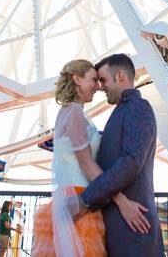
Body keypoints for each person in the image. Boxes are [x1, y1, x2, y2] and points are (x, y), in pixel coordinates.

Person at [32, 59, 149, 256]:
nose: (98, 86)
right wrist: (122, 202)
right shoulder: (75, 112)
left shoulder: (68, 111)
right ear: (77, 79)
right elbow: (87, 164)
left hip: (70, 195)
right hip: (78, 198)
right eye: (93, 80)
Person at [73, 54, 165, 256]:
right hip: (121, 226)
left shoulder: (138, 108)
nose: (100, 86)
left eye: (103, 80)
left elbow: (131, 161)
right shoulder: (121, 111)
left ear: (120, 75)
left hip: (133, 229)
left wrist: (86, 200)